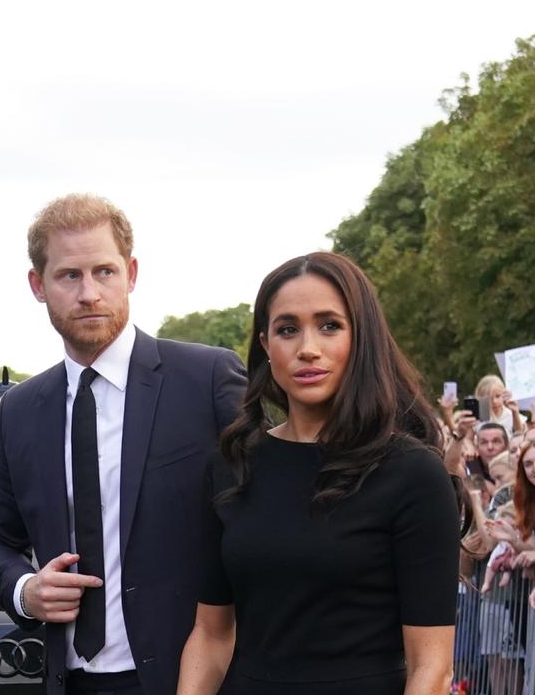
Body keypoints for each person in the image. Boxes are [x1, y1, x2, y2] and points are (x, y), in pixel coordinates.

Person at [0, 194, 247, 695]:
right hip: (70, 681)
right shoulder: (20, 411)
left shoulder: (207, 379)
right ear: (38, 285)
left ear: (132, 273)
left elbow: (270, 521)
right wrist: (25, 590)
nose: (89, 294)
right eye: (69, 276)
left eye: (104, 272)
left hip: (192, 680)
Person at [176, 252, 462, 694]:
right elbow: (211, 636)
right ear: (266, 346)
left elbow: (432, 667)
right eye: (287, 329)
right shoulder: (232, 466)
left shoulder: (412, 474)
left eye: (329, 325)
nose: (307, 347)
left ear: (361, 337)